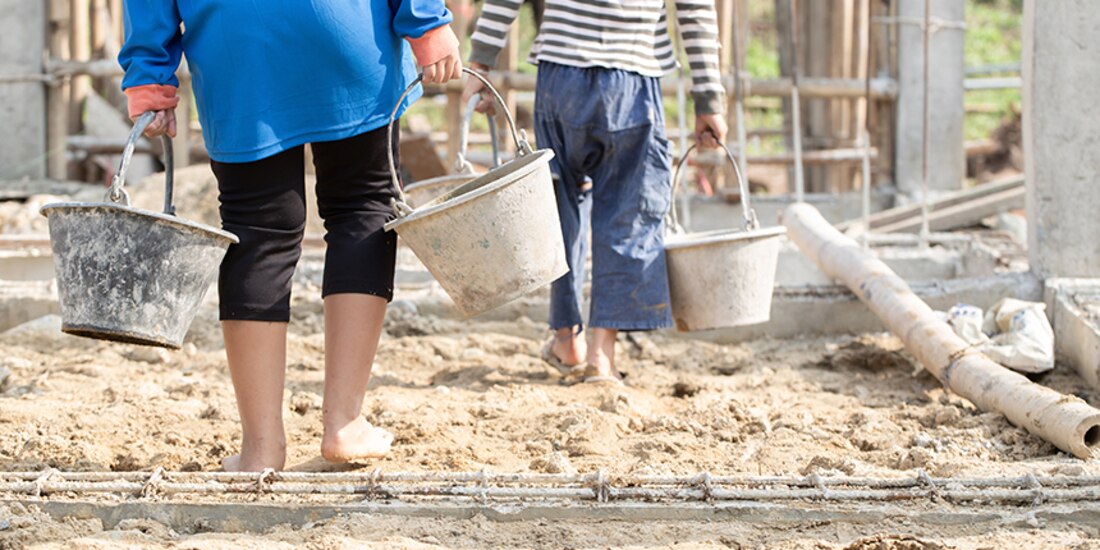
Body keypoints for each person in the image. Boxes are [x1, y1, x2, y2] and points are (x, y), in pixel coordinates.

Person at [119, 0, 463, 471]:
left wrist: (148, 71)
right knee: (362, 206)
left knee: (255, 229)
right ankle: (344, 422)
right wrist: (426, 19)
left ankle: (261, 449)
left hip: (237, 48)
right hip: (347, 34)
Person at [463, 0, 728, 384]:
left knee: (561, 208)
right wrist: (708, 99)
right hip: (631, 80)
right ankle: (601, 354)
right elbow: (695, 10)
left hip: (560, 78)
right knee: (628, 213)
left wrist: (482, 63)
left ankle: (567, 339)